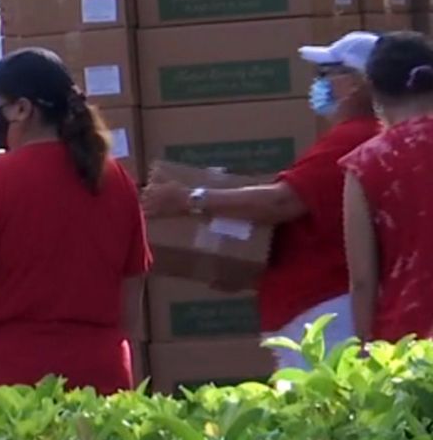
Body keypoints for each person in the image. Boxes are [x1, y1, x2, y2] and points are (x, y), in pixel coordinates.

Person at [141, 32, 382, 367]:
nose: (319, 83)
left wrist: (189, 199)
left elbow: (281, 203)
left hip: (324, 314)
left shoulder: (353, 138)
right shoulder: (358, 137)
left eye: (326, 74)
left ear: (356, 83)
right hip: (315, 309)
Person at [0, 49, 149, 397]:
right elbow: (132, 285)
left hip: (5, 383)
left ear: (22, 109)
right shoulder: (113, 178)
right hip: (98, 378)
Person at [341, 32, 433, 343]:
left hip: (406, 345)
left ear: (373, 89)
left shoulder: (365, 164)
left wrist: (364, 350)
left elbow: (363, 280)